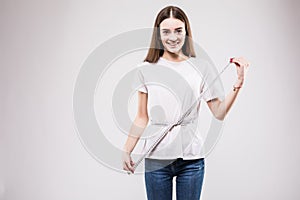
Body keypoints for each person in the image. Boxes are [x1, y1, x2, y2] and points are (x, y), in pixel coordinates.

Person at [122, 5, 250, 200]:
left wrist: (238, 84)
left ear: (186, 31)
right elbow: (141, 117)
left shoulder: (201, 67)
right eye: (166, 32)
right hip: (157, 160)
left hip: (191, 160)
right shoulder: (144, 69)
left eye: (178, 31)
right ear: (158, 34)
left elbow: (219, 112)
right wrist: (127, 150)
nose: (173, 38)